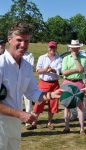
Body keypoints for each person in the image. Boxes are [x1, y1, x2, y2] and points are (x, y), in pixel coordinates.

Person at [0, 22, 62, 150]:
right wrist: (20, 114)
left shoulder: (27, 66)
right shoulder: (1, 64)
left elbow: (33, 92)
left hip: (15, 125)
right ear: (9, 40)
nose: (23, 45)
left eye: (27, 41)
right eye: (19, 40)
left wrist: (51, 95)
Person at [27, 41, 62, 130]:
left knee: (53, 104)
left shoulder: (59, 58)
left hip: (54, 83)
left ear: (56, 48)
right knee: (39, 103)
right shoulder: (42, 57)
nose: (52, 49)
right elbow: (38, 70)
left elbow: (60, 72)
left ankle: (49, 123)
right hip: (44, 83)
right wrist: (46, 70)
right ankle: (34, 123)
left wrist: (54, 70)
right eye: (50, 47)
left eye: (54, 47)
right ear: (48, 48)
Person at [61, 39, 86, 134]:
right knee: (67, 106)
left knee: (80, 106)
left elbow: (81, 69)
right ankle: (67, 127)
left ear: (79, 48)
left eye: (76, 47)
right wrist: (76, 69)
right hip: (67, 82)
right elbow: (64, 72)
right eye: (73, 48)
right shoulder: (65, 58)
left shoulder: (83, 58)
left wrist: (75, 58)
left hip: (79, 83)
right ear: (70, 48)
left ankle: (82, 129)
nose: (75, 49)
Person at [22, 51, 35, 127]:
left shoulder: (30, 55)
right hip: (16, 81)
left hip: (26, 80)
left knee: (28, 102)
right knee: (18, 101)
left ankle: (27, 120)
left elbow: (30, 67)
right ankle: (19, 119)